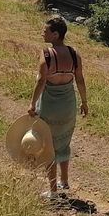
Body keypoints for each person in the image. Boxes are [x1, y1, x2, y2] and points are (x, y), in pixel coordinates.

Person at [27, 16, 88, 198]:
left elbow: (41, 81)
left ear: (55, 34)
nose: (42, 33)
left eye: (45, 31)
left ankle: (53, 191)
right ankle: (65, 181)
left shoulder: (47, 54)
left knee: (49, 146)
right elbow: (80, 79)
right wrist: (84, 102)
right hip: (68, 104)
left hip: (50, 105)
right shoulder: (74, 53)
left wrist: (31, 103)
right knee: (64, 142)